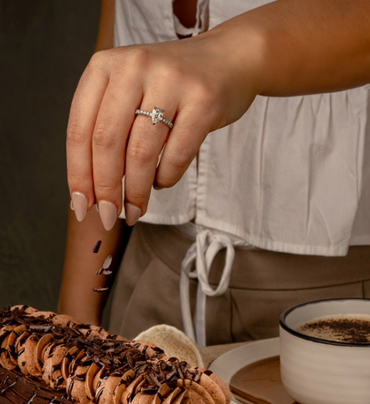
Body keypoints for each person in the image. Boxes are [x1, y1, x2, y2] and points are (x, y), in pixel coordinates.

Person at [57, 0, 370, 346]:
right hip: (150, 284)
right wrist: (75, 311)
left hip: (337, 307)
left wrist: (237, 51)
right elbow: (117, 39)